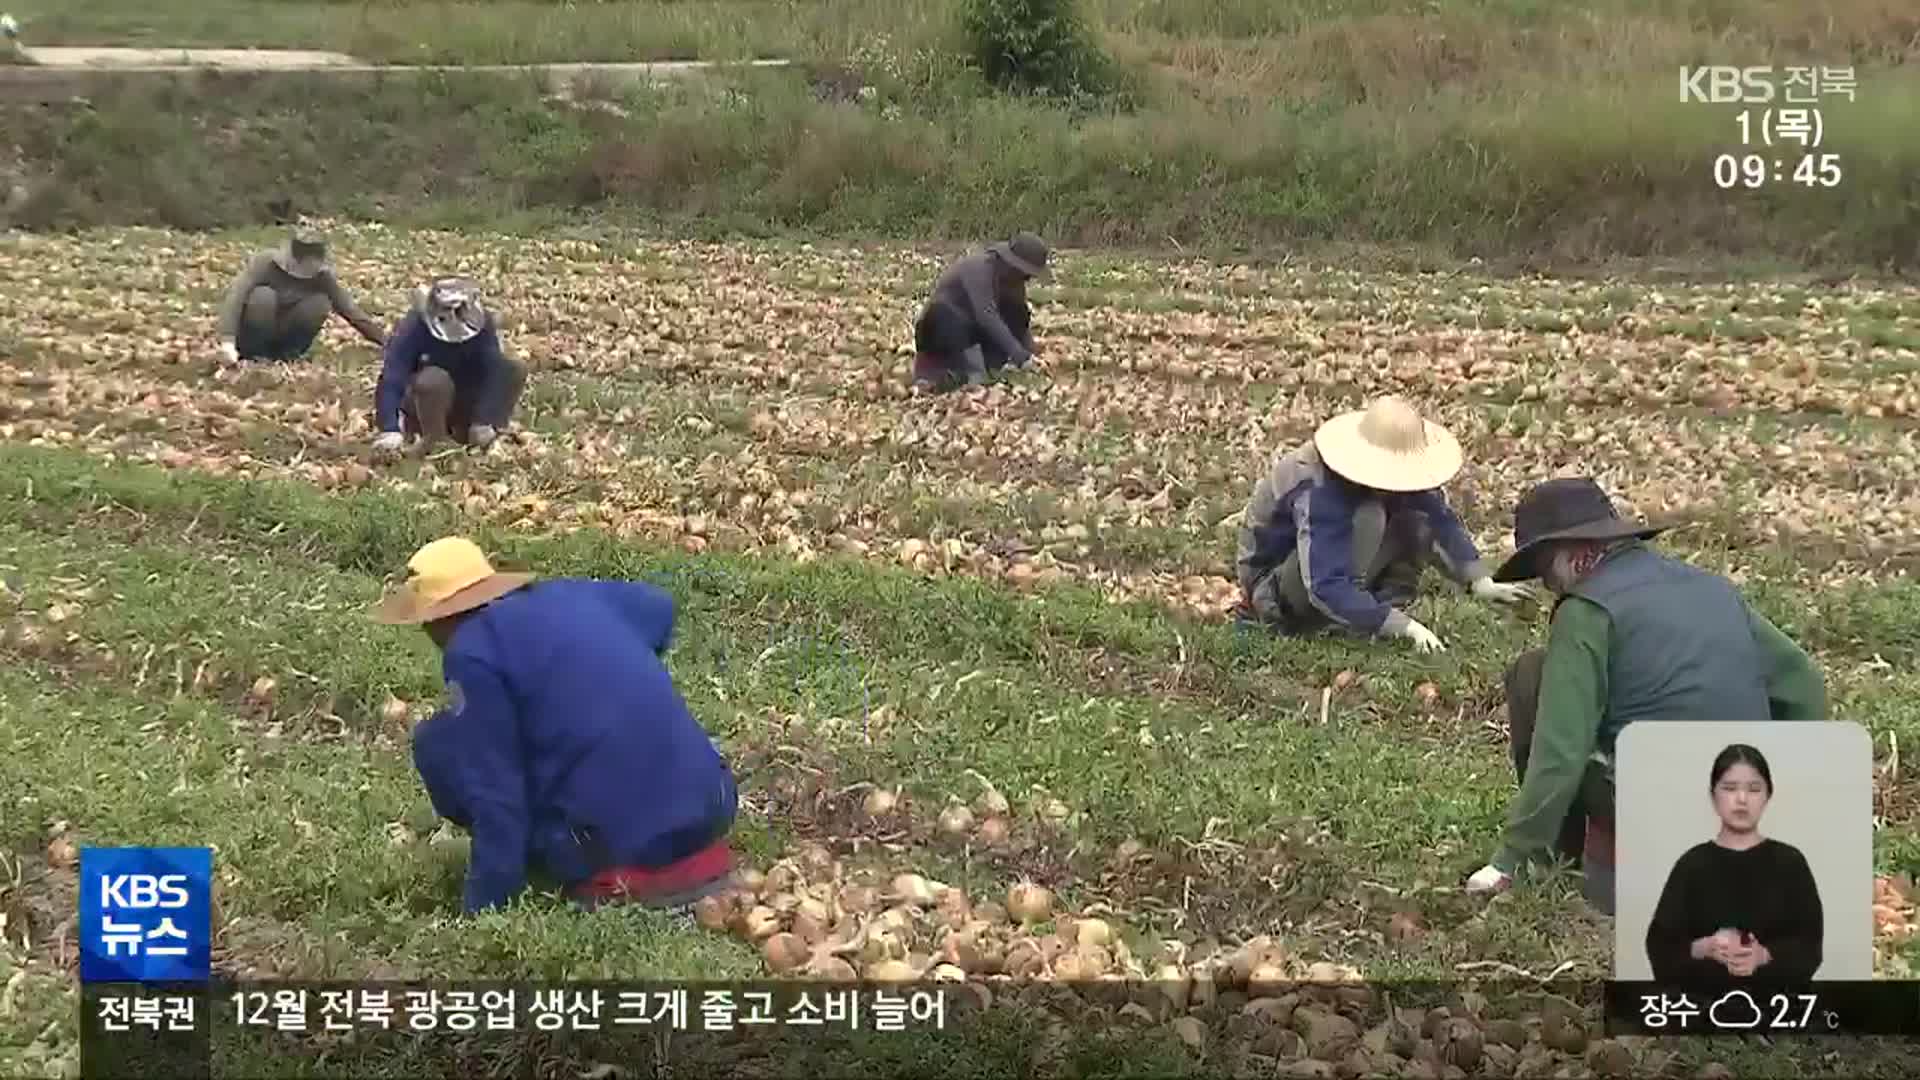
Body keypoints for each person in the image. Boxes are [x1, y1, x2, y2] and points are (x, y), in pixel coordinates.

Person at [1465, 478, 1827, 910]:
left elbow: (1561, 751)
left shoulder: (1586, 611)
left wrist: (1509, 859)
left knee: (1530, 675)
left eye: (1543, 570)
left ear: (1567, 554)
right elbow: (1803, 685)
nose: (1547, 586)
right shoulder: (1711, 588)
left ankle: (1554, 856)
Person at [370, 536, 739, 914]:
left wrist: (483, 913)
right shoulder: (570, 595)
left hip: (626, 849)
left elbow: (496, 799)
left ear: (442, 617)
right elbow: (660, 608)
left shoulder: (471, 652)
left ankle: (592, 871)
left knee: (438, 742)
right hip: (714, 806)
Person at [1233, 396, 1535, 651]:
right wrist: (1405, 628)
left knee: (1414, 517)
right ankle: (1345, 621)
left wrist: (1479, 580)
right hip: (1275, 589)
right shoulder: (1320, 486)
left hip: (1325, 568)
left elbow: (1437, 518)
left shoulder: (1403, 484)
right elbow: (1324, 584)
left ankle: (1385, 603)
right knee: (1369, 517)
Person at [1644, 744, 1824, 981]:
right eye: (1729, 788)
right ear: (1713, 795)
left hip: (1777, 1010)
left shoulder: (1791, 864)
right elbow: (1660, 946)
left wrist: (1764, 955)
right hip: (1702, 1010)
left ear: (1768, 795)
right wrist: (1704, 948)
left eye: (1754, 789)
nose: (1741, 800)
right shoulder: (1691, 865)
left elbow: (1810, 946)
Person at [371, 278, 527, 456]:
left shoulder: (483, 323)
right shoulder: (415, 326)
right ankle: (434, 439)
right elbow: (393, 376)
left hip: (466, 395)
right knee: (433, 379)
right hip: (425, 402)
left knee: (514, 369)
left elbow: (494, 368)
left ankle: (484, 431)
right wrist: (390, 428)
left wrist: (485, 417)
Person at [215, 229, 386, 362]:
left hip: (289, 328)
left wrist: (387, 342)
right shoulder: (265, 263)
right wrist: (227, 340)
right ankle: (255, 354)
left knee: (320, 303)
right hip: (254, 330)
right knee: (263, 297)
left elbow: (350, 311)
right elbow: (235, 297)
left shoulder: (323, 276)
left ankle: (289, 354)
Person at [911, 232, 1050, 391]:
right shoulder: (979, 269)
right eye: (1025, 274)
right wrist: (1020, 356)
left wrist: (1029, 355)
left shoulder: (1012, 281)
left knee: (1017, 312)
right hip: (939, 332)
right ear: (1012, 263)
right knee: (947, 313)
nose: (1026, 279)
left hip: (971, 334)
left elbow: (1020, 322)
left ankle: (987, 369)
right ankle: (958, 374)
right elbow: (986, 315)